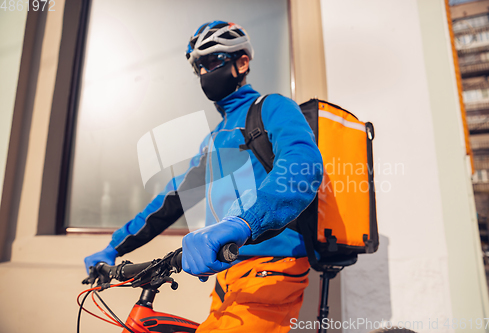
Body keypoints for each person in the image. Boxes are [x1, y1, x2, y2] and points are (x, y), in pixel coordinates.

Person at [84, 20, 323, 332]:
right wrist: (115, 247)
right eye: (198, 66)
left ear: (242, 63)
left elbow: (302, 166)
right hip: (227, 272)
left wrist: (244, 221)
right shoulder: (214, 138)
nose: (204, 73)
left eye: (212, 61)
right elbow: (173, 200)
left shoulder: (272, 107)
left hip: (271, 268)